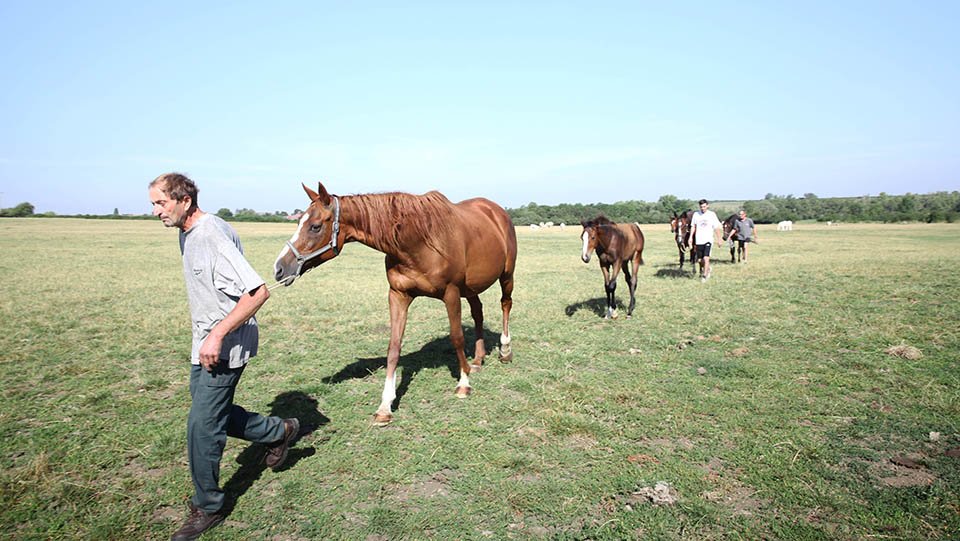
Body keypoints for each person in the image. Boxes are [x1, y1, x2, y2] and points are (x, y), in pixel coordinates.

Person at [149, 173, 299, 541]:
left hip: (224, 345)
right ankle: (280, 431)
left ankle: (209, 506)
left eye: (161, 203)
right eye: (153, 204)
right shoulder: (187, 233)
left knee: (202, 426)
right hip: (204, 343)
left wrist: (216, 335)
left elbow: (257, 292)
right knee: (212, 413)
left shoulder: (210, 234)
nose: (156, 211)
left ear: (185, 200)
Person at [690, 198, 722, 282]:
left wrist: (719, 239)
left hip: (708, 239)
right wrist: (690, 237)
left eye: (704, 206)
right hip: (699, 240)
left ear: (707, 206)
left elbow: (716, 228)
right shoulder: (696, 214)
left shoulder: (712, 215)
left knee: (706, 258)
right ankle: (708, 268)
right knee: (700, 260)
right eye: (701, 207)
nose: (703, 208)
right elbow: (693, 226)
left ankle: (704, 276)